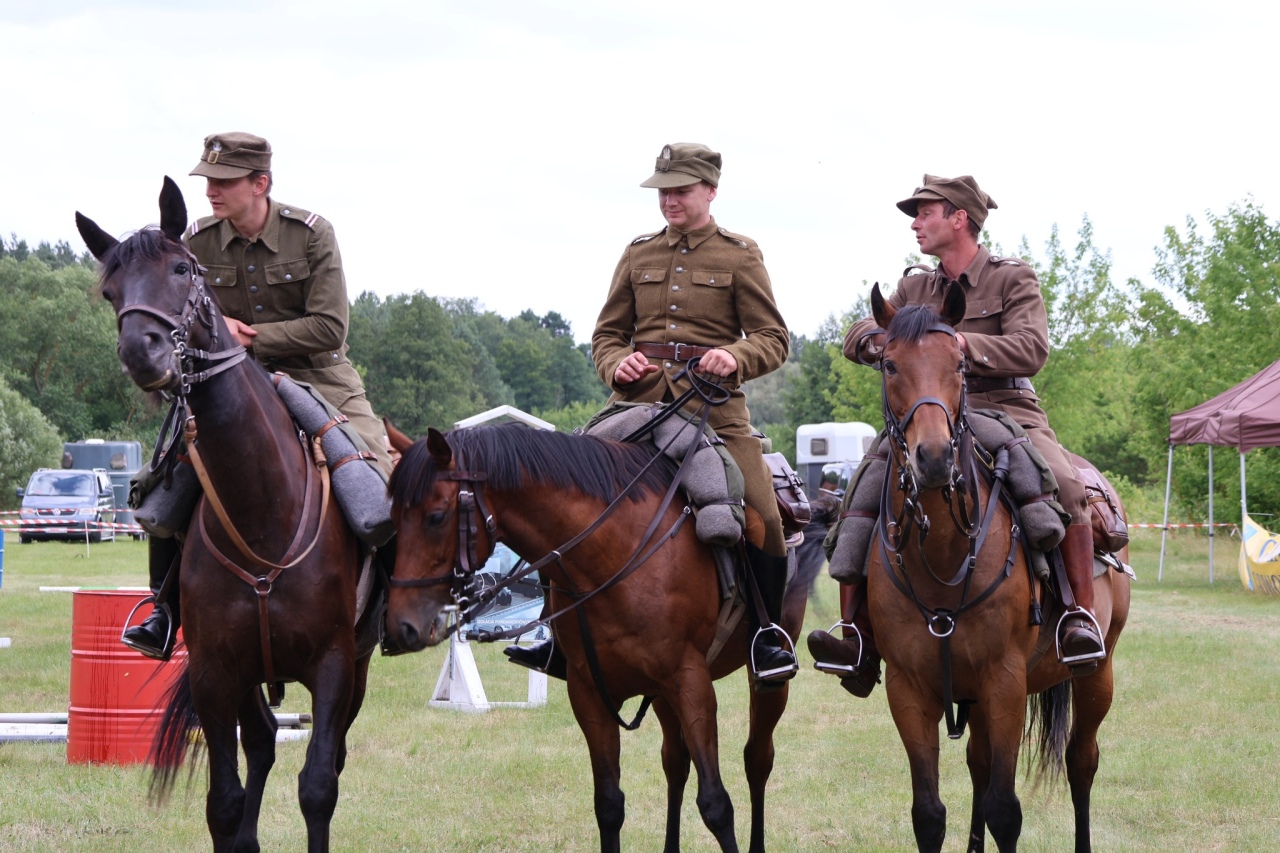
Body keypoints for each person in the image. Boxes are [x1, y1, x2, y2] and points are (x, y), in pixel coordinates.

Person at [504, 142, 798, 687]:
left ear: (710, 190)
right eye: (663, 191)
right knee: (565, 499)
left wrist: (733, 356)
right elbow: (606, 336)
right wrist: (616, 364)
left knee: (765, 516)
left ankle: (766, 636)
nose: (669, 200)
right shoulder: (637, 253)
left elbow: (773, 339)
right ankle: (553, 632)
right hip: (634, 409)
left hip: (714, 411)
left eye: (681, 190)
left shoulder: (740, 254)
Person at [807, 173, 1107, 696]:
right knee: (860, 491)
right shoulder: (914, 286)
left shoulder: (1013, 279)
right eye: (915, 215)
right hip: (926, 415)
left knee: (1065, 483)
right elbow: (858, 333)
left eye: (925, 212)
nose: (916, 223)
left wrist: (960, 346)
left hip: (1006, 407)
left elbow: (1032, 350)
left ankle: (1078, 616)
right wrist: (891, 345)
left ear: (959, 218)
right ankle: (854, 635)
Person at [122, 132, 392, 659]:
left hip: (320, 377)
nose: (211, 192)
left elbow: (330, 327)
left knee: (375, 472)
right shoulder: (195, 241)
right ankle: (162, 610)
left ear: (260, 183)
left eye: (223, 182)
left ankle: (396, 605)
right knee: (164, 484)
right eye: (208, 181)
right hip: (228, 385)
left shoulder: (311, 235)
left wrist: (252, 335)